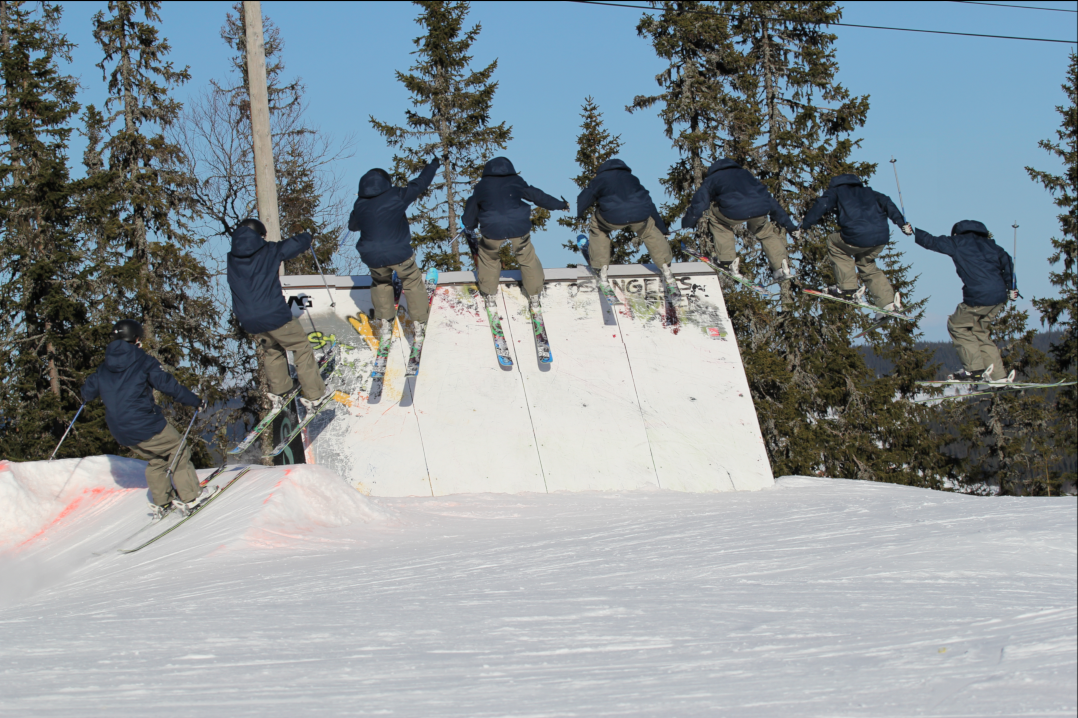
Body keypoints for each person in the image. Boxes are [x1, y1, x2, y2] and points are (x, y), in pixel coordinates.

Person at [81, 320, 207, 517]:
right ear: (136, 338)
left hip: (120, 431)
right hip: (144, 423)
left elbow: (87, 391)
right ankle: (191, 497)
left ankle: (163, 501)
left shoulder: (104, 366)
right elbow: (168, 386)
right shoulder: (143, 361)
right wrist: (195, 401)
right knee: (177, 448)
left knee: (156, 459)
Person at [227, 218, 330, 410]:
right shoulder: (269, 251)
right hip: (273, 313)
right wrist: (307, 236)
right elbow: (295, 245)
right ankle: (314, 394)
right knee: (300, 346)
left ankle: (280, 389)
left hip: (248, 319)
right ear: (259, 236)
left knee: (272, 348)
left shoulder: (231, 258)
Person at [348, 159, 440, 346]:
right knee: (412, 280)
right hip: (398, 253)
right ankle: (419, 324)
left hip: (372, 256)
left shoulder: (359, 204)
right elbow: (420, 183)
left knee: (381, 282)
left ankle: (384, 322)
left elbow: (353, 226)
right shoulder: (396, 195)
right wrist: (433, 166)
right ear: (386, 182)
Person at [914, 220, 1017, 383]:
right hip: (1000, 296)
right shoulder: (993, 246)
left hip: (979, 296)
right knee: (980, 332)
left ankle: (974, 370)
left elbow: (931, 242)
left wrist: (914, 231)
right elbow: (1008, 262)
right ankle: (998, 376)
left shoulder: (958, 242)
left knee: (957, 325)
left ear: (957, 232)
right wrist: (1012, 286)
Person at [800, 174, 912, 318]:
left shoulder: (836, 192)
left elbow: (822, 205)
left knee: (833, 242)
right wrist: (902, 224)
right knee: (867, 264)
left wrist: (805, 224)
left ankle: (847, 287)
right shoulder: (871, 193)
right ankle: (888, 303)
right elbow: (888, 203)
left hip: (856, 235)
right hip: (880, 237)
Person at [462, 157, 568, 309]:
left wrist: (469, 225)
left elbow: (471, 209)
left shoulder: (481, 186)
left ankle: (490, 295)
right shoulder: (516, 181)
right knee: (527, 257)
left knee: (489, 258)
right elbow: (537, 196)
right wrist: (561, 205)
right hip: (518, 225)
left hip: (493, 227)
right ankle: (534, 295)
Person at [681, 158, 798, 283]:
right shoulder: (747, 175)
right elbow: (770, 200)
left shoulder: (713, 178)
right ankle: (781, 267)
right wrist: (790, 226)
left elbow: (700, 203)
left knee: (718, 221)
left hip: (732, 211)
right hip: (759, 209)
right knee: (765, 233)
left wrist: (688, 222)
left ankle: (727, 261)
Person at [576, 158, 676, 291]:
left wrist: (579, 213)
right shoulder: (632, 178)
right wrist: (663, 229)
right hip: (639, 214)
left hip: (612, 217)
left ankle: (601, 269)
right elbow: (649, 202)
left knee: (598, 226)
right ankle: (665, 267)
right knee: (649, 229)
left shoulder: (600, 179)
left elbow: (584, 197)